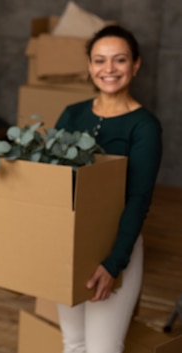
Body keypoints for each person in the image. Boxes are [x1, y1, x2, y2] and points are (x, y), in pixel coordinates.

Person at [54, 25, 162, 353]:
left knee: (103, 349)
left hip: (115, 247)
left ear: (136, 65)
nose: (109, 69)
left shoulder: (144, 126)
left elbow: (138, 199)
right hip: (69, 244)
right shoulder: (72, 115)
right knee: (73, 344)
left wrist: (114, 262)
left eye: (120, 60)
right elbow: (54, 183)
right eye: (100, 60)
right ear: (89, 66)